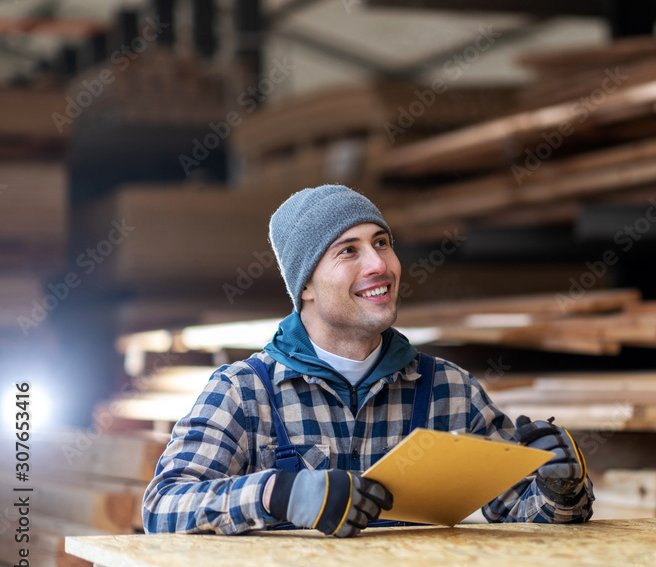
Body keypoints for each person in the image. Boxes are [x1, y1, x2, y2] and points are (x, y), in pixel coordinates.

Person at [142, 185, 594, 536]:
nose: (379, 264)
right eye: (348, 250)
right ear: (306, 288)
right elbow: (162, 508)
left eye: (381, 242)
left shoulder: (449, 391)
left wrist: (560, 486)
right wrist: (277, 493)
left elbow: (527, 518)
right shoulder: (244, 391)